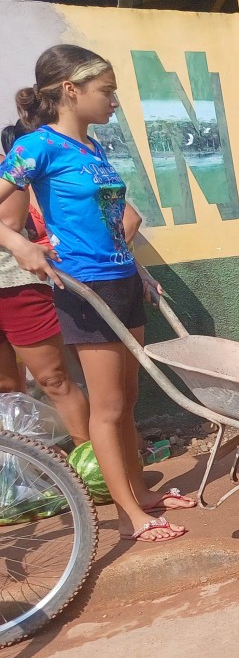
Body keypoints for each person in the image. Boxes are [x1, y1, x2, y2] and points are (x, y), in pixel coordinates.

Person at [0, 44, 191, 543]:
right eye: (106, 91)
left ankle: (142, 493)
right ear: (71, 90)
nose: (114, 101)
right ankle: (130, 514)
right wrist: (21, 244)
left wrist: (139, 270)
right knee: (105, 406)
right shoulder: (35, 147)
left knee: (126, 400)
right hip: (86, 288)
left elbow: (112, 223)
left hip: (123, 281)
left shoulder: (93, 149)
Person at [0, 124, 90, 443]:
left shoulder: (7, 170)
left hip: (14, 286)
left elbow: (9, 224)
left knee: (54, 380)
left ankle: (93, 460)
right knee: (6, 389)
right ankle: (22, 471)